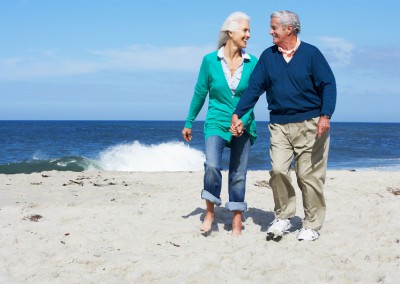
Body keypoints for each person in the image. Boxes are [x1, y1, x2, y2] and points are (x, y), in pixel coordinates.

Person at [231, 10, 336, 241]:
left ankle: (311, 224)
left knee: (307, 176)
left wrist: (325, 115)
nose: (270, 31)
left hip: (310, 124)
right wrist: (238, 114)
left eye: (274, 27)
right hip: (279, 125)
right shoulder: (268, 57)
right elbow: (254, 89)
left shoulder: (311, 54)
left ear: (289, 29)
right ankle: (284, 216)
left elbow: (328, 84)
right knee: (278, 170)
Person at [182, 11, 258, 236]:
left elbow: (252, 97)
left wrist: (242, 121)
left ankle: (236, 219)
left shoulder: (253, 62)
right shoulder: (209, 60)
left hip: (243, 124)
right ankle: (210, 212)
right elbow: (200, 93)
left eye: (248, 30)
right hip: (216, 121)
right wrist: (189, 121)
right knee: (213, 165)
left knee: (238, 173)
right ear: (230, 32)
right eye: (245, 30)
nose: (248, 34)